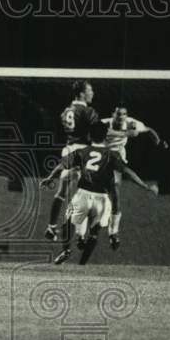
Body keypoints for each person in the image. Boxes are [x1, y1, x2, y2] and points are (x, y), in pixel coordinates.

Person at [41, 121, 159, 265]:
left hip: (82, 195)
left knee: (67, 223)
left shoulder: (82, 152)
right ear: (106, 137)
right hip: (102, 199)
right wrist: (145, 186)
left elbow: (62, 165)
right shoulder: (112, 154)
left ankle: (66, 250)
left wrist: (49, 178)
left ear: (90, 136)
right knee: (95, 232)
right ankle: (83, 264)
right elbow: (127, 171)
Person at [102, 103, 166, 250]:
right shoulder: (103, 123)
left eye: (123, 114)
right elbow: (93, 133)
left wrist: (157, 141)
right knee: (104, 195)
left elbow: (148, 129)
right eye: (118, 114)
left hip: (117, 159)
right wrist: (125, 134)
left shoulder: (132, 123)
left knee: (115, 195)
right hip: (100, 157)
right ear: (113, 114)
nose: (121, 117)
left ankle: (113, 233)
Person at [44, 80, 98, 243]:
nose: (92, 93)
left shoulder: (66, 111)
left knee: (61, 192)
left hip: (68, 149)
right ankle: (81, 236)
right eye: (90, 90)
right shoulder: (88, 111)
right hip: (83, 153)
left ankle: (51, 227)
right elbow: (97, 133)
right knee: (90, 195)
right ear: (82, 93)